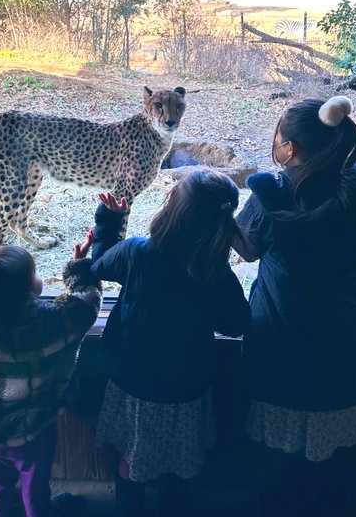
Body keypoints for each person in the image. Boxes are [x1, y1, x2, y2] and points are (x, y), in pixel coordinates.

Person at [234, 96, 356, 516]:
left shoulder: (275, 190)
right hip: (346, 334)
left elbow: (247, 248)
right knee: (332, 454)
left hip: (284, 335)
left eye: (280, 139)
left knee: (280, 455)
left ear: (291, 150)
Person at [76, 169, 251, 517]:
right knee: (183, 466)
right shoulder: (213, 271)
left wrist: (110, 221)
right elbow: (237, 323)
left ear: (171, 206)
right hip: (187, 388)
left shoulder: (139, 252)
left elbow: (98, 266)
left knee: (131, 460)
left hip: (132, 384)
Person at [0, 235, 101, 517]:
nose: (37, 276)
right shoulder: (46, 325)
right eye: (32, 274)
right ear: (22, 294)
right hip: (30, 432)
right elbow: (87, 304)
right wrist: (78, 268)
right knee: (34, 483)